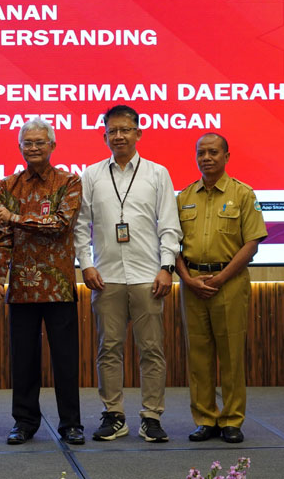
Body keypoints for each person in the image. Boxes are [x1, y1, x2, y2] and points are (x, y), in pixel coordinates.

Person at [74, 105, 182, 443]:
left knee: (151, 349)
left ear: (138, 133)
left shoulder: (157, 173)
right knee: (109, 348)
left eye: (125, 129)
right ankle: (114, 414)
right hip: (105, 275)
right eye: (112, 131)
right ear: (104, 135)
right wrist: (85, 264)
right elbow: (80, 226)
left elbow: (169, 226)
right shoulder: (90, 175)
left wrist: (167, 268)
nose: (118, 136)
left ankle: (151, 416)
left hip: (148, 276)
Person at [0, 118, 85, 445]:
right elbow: (1, 238)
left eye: (39, 142)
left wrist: (15, 218)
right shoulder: (6, 186)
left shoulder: (69, 182)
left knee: (65, 360)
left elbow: (60, 224)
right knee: (23, 360)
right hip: (20, 287)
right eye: (27, 143)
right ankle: (24, 422)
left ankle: (71, 424)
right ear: (19, 147)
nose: (33, 148)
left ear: (52, 146)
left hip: (59, 286)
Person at [175, 133, 267, 444]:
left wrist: (221, 278)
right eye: (201, 152)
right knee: (198, 357)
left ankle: (231, 420)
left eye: (214, 152)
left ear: (227, 156)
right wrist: (187, 279)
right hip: (192, 285)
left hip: (228, 284)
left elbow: (251, 244)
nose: (207, 157)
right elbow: (171, 243)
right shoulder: (184, 196)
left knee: (231, 356)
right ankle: (205, 419)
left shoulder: (243, 194)